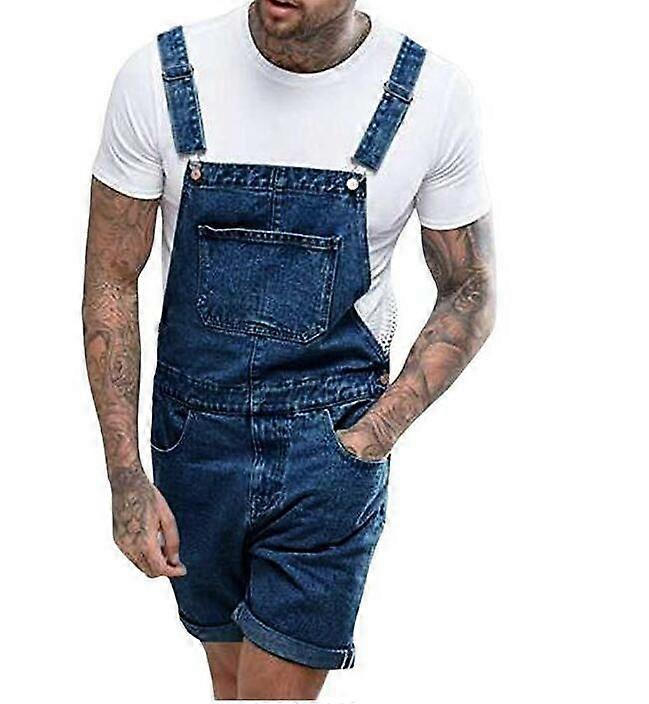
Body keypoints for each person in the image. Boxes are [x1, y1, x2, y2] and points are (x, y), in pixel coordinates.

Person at [82, 0, 495, 699]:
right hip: (193, 449)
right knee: (232, 683)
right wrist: (125, 476)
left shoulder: (432, 95)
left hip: (325, 453)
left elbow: (470, 288)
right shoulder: (160, 75)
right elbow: (111, 277)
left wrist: (368, 439)